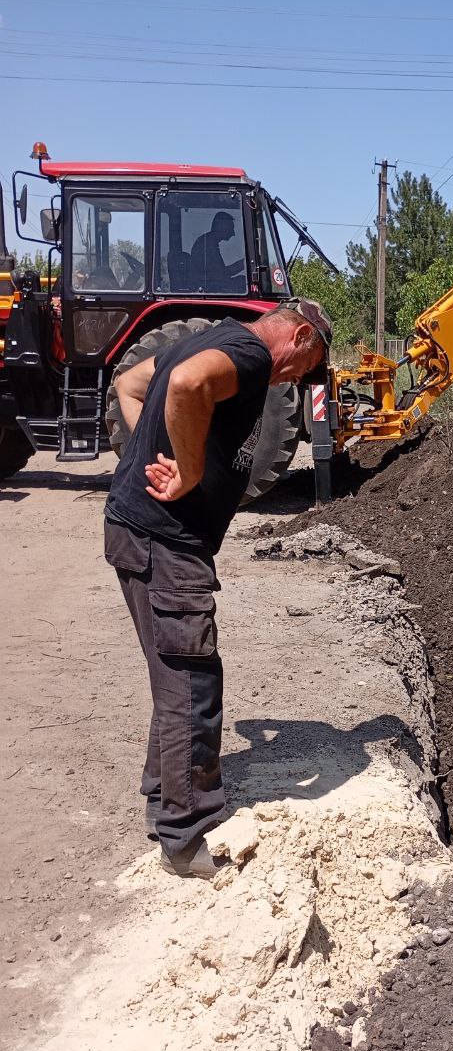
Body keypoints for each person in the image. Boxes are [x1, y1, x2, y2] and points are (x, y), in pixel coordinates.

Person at [103, 302, 332, 879]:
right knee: (192, 680)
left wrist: (148, 452)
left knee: (171, 670)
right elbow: (185, 383)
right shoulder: (252, 355)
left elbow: (131, 384)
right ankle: (185, 836)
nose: (302, 379)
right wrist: (188, 470)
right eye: (310, 365)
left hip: (137, 531)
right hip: (166, 543)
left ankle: (163, 798)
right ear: (300, 335)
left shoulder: (216, 337)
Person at [190, 211, 246, 292]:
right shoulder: (206, 245)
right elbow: (219, 275)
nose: (233, 233)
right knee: (243, 282)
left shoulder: (208, 242)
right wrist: (244, 264)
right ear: (222, 228)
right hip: (208, 289)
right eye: (231, 228)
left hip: (209, 285)